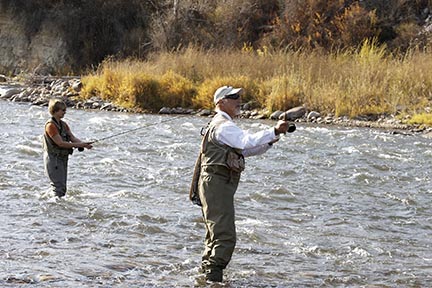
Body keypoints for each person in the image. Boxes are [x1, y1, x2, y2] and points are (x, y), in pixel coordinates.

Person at [190, 86, 290, 282]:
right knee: (225, 235)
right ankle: (213, 279)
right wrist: (274, 130)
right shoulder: (223, 126)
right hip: (216, 185)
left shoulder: (223, 125)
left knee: (216, 233)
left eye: (239, 96)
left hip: (216, 184)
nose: (239, 100)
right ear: (220, 102)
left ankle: (206, 277)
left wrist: (272, 138)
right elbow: (246, 141)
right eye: (233, 97)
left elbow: (245, 151)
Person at [43, 99, 93, 197]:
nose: (65, 112)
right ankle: (55, 207)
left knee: (62, 188)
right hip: (53, 159)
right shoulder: (50, 126)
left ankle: (57, 206)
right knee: (58, 187)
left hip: (62, 158)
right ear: (55, 111)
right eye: (63, 110)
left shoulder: (64, 124)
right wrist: (79, 145)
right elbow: (60, 143)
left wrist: (84, 144)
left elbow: (72, 138)